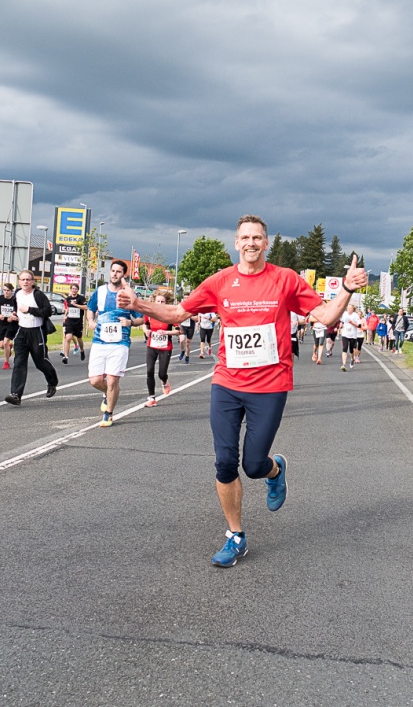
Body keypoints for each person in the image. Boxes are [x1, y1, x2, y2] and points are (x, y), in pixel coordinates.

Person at [117, 214, 367, 567]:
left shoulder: (286, 280)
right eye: (245, 237)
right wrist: (138, 304)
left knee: (252, 465)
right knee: (224, 462)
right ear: (237, 243)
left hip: (270, 386)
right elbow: (175, 313)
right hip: (227, 384)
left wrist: (347, 289)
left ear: (266, 244)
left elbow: (325, 318)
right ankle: (235, 535)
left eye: (257, 237)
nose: (250, 242)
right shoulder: (220, 282)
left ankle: (274, 470)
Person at [86, 260, 145, 426]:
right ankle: (108, 393)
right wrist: (91, 321)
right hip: (99, 340)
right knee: (95, 380)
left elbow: (141, 318)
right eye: (113, 271)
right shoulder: (100, 291)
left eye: (119, 272)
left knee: (112, 380)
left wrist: (131, 323)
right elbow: (90, 309)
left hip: (120, 342)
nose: (114, 274)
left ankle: (109, 414)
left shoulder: (129, 295)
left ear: (124, 274)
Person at [4, 270, 60, 405]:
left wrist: (29, 309)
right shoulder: (17, 294)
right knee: (19, 363)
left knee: (41, 362)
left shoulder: (38, 295)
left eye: (28, 280)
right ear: (19, 281)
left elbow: (48, 311)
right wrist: (14, 315)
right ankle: (16, 394)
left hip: (37, 332)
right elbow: (16, 308)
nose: (25, 282)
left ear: (33, 282)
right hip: (22, 331)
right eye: (23, 280)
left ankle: (52, 382)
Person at [144, 288, 180, 407]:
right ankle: (152, 397)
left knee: (161, 373)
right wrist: (147, 331)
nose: (160, 304)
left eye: (162, 302)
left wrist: (166, 333)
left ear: (166, 303)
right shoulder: (149, 314)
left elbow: (178, 331)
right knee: (149, 371)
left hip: (165, 347)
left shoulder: (169, 315)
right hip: (152, 345)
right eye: (158, 301)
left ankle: (164, 380)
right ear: (154, 301)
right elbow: (145, 326)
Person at [60, 283, 88, 364]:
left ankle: (82, 350)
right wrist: (65, 316)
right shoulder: (68, 298)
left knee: (79, 339)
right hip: (69, 321)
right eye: (72, 289)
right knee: (68, 337)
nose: (74, 290)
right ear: (71, 289)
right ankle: (66, 357)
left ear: (77, 290)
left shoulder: (81, 298)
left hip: (78, 322)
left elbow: (86, 307)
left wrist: (75, 304)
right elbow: (68, 308)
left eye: (75, 289)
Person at [0, 282, 18, 369]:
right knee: (1, 345)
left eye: (8, 291)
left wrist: (12, 317)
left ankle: (6, 363)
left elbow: (17, 312)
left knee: (6, 341)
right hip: (2, 323)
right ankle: (8, 347)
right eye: (4, 290)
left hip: (12, 324)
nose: (6, 292)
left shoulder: (15, 300)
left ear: (11, 291)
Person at [340, 304, 363, 370]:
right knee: (344, 348)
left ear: (353, 309)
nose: (349, 309)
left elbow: (359, 326)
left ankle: (352, 359)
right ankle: (343, 364)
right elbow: (342, 321)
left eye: (350, 308)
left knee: (351, 350)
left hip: (353, 335)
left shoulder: (355, 315)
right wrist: (341, 324)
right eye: (348, 308)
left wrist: (352, 323)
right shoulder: (344, 314)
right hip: (345, 334)